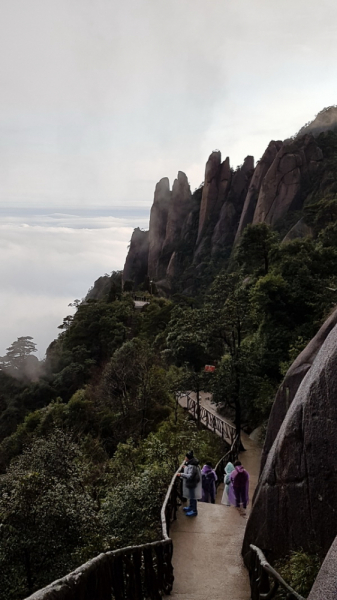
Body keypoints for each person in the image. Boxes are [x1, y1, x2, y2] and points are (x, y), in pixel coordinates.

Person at [177, 450, 202, 516]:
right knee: (191, 496)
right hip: (192, 482)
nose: (185, 458)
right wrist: (186, 467)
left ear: (188, 458)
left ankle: (194, 510)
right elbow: (190, 470)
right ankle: (191, 507)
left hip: (192, 482)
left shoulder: (192, 465)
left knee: (193, 497)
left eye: (185, 457)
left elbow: (190, 475)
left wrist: (181, 474)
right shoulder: (192, 464)